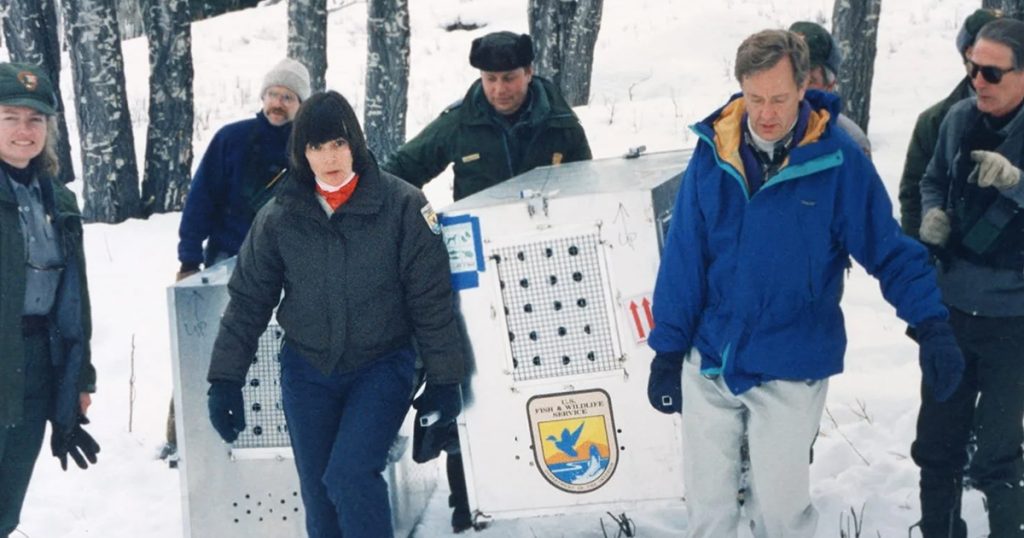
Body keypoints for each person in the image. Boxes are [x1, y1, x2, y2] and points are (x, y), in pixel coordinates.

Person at [645, 30, 963, 537]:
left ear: (802, 87)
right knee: (708, 513)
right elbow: (686, 256)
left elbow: (887, 249)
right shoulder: (713, 151)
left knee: (781, 513)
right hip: (712, 355)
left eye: (778, 98)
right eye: (754, 99)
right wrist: (667, 350)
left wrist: (930, 323)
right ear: (740, 90)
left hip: (791, 358)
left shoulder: (835, 160)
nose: (766, 113)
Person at [205, 90, 465, 538]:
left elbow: (431, 299)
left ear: (356, 144)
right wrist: (224, 380)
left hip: (382, 365)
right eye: (317, 147)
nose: (330, 158)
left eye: (339, 144)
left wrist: (445, 380)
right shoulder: (280, 216)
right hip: (308, 371)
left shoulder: (402, 205)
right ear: (302, 153)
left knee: (349, 476)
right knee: (319, 494)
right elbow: (249, 301)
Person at [382, 30, 592, 532]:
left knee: (551, 380)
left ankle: (554, 483)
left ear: (530, 73)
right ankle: (468, 499)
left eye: (510, 78)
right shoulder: (461, 121)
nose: (500, 89)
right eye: (491, 78)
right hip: (478, 275)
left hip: (549, 270)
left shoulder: (560, 122)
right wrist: (416, 227)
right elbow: (400, 171)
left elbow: (589, 186)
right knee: (471, 385)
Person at [164, 57, 311, 462]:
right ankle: (181, 434)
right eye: (272, 94)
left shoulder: (308, 148)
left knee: (276, 348)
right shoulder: (231, 139)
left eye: (287, 96)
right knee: (208, 345)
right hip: (226, 260)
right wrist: (189, 257)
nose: (277, 103)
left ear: (301, 104)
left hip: (288, 265)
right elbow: (200, 201)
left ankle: (282, 430)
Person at [915, 17, 1024, 538]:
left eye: (992, 73)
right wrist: (932, 216)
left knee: (999, 454)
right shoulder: (959, 118)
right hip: (952, 310)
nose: (978, 79)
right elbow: (932, 180)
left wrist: (1018, 185)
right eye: (972, 67)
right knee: (937, 445)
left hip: (1013, 322)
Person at [0, 62, 99, 537]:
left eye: (35, 120)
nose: (24, 130)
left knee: (6, 503)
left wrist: (78, 377)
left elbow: (74, 300)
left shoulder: (58, 200)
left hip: (37, 364)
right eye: (10, 117)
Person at [899, 8, 1003, 240]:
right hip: (951, 262)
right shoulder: (934, 121)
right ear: (968, 54)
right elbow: (914, 195)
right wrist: (921, 258)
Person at [788, 20, 871, 156]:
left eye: (809, 81)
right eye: (790, 77)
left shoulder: (851, 143)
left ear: (829, 86)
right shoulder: (746, 131)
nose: (797, 89)